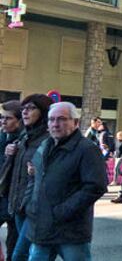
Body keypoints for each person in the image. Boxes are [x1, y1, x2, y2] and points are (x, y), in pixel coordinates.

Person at [25, 102, 107, 260]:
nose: (55, 124)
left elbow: (95, 186)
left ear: (75, 123)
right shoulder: (45, 145)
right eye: (51, 119)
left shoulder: (87, 149)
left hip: (70, 231)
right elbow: (36, 177)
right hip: (42, 226)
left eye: (62, 119)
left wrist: (62, 211)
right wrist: (30, 204)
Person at [6, 94, 52, 261]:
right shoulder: (25, 137)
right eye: (23, 108)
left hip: (36, 207)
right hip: (20, 204)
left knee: (20, 255)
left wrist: (39, 171)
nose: (25, 112)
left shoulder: (49, 140)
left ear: (43, 112)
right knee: (29, 253)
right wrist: (9, 153)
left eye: (31, 108)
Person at [0, 101, 23, 258]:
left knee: (14, 246)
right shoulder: (2, 137)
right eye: (1, 118)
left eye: (7, 118)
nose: (3, 121)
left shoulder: (26, 140)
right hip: (3, 195)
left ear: (19, 120)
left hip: (15, 200)